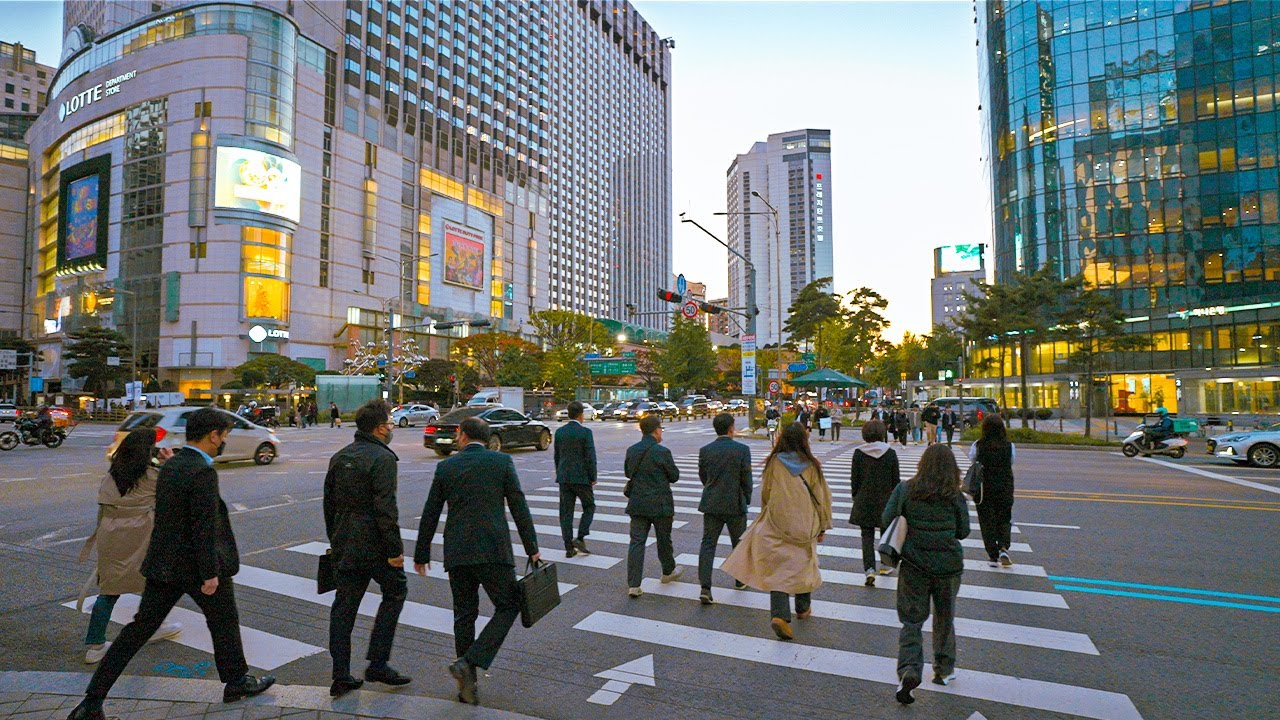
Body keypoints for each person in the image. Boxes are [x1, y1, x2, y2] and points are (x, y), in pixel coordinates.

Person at [67, 409, 274, 720]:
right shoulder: (201, 471)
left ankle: (91, 702)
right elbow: (202, 526)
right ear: (213, 435)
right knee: (224, 622)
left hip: (163, 566)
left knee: (138, 631)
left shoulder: (174, 465)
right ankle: (236, 681)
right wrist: (209, 573)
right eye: (224, 436)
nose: (224, 442)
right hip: (195, 566)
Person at [413, 417, 540, 706]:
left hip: (457, 551)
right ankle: (471, 661)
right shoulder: (501, 463)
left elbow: (430, 512)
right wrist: (532, 547)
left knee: (464, 614)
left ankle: (466, 681)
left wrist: (421, 553)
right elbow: (519, 505)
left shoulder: (446, 467)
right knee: (509, 605)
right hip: (493, 549)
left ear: (463, 435)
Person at [324, 400, 410, 698]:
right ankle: (377, 662)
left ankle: (340, 675)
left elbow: (328, 505)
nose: (391, 428)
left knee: (344, 608)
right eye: (389, 423)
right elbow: (386, 509)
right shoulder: (382, 458)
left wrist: (335, 541)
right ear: (379, 428)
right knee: (396, 590)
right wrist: (395, 550)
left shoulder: (340, 457)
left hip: (345, 543)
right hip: (374, 545)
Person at [77, 428, 183, 665]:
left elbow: (103, 506)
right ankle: (156, 626)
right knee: (153, 582)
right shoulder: (152, 476)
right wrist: (170, 461)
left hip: (110, 535)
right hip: (142, 533)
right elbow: (180, 487)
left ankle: (95, 645)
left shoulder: (113, 475)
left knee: (109, 589)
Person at [721, 422, 833, 641]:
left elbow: (766, 494)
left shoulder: (773, 463)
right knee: (804, 563)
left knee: (779, 569)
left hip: (777, 523)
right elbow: (822, 498)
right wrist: (822, 525)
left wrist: (767, 514)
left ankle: (780, 615)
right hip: (805, 523)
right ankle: (802, 607)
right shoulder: (812, 465)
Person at [881, 444, 970, 705]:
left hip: (914, 565)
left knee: (912, 620)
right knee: (945, 617)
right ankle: (944, 671)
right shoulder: (955, 496)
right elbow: (963, 531)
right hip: (948, 567)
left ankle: (909, 669)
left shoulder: (906, 489)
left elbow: (888, 518)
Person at [696, 413, 753, 605]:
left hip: (712, 502)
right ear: (731, 428)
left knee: (708, 544)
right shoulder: (742, 450)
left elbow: (703, 477)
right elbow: (746, 479)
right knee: (738, 544)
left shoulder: (705, 450)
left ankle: (705, 587)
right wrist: (747, 497)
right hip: (735, 503)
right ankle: (739, 580)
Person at [623, 414, 682, 597]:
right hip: (660, 504)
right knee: (664, 539)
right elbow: (674, 476)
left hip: (638, 503)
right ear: (656, 430)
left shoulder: (632, 450)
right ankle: (667, 571)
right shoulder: (662, 452)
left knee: (636, 542)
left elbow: (627, 473)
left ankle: (634, 584)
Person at [849, 420, 900, 587]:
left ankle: (869, 570)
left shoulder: (858, 453)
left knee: (867, 536)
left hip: (864, 500)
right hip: (886, 500)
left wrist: (856, 496)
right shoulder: (890, 453)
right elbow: (896, 481)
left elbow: (854, 480)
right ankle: (885, 565)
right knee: (885, 534)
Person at [968, 414, 1016, 567]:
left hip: (984, 489)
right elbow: (1012, 461)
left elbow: (972, 459)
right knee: (1004, 518)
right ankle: (1003, 547)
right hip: (1004, 487)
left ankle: (992, 554)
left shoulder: (978, 445)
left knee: (986, 521)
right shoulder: (1009, 446)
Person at [554, 400, 597, 558]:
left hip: (564, 477)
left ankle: (568, 548)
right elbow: (590, 457)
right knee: (589, 506)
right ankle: (580, 536)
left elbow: (557, 457)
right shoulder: (585, 433)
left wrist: (560, 472)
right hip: (582, 477)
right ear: (581, 415)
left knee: (566, 513)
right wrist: (593, 476)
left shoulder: (560, 432)